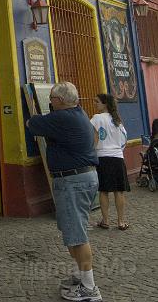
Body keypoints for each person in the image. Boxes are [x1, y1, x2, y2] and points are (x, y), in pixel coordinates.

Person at [27, 81, 101, 301]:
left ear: (59, 101)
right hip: (81, 177)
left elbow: (33, 123)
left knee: (77, 235)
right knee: (73, 231)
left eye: (51, 99)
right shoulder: (80, 114)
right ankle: (80, 275)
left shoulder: (62, 117)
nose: (50, 102)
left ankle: (89, 288)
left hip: (73, 181)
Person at [90, 93, 129, 231]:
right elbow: (124, 139)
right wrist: (118, 150)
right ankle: (121, 221)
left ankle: (105, 221)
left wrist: (92, 154)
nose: (95, 103)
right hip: (117, 157)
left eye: (97, 101)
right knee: (119, 191)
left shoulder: (96, 118)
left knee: (104, 190)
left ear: (105, 104)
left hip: (102, 157)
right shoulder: (117, 120)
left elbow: (94, 140)